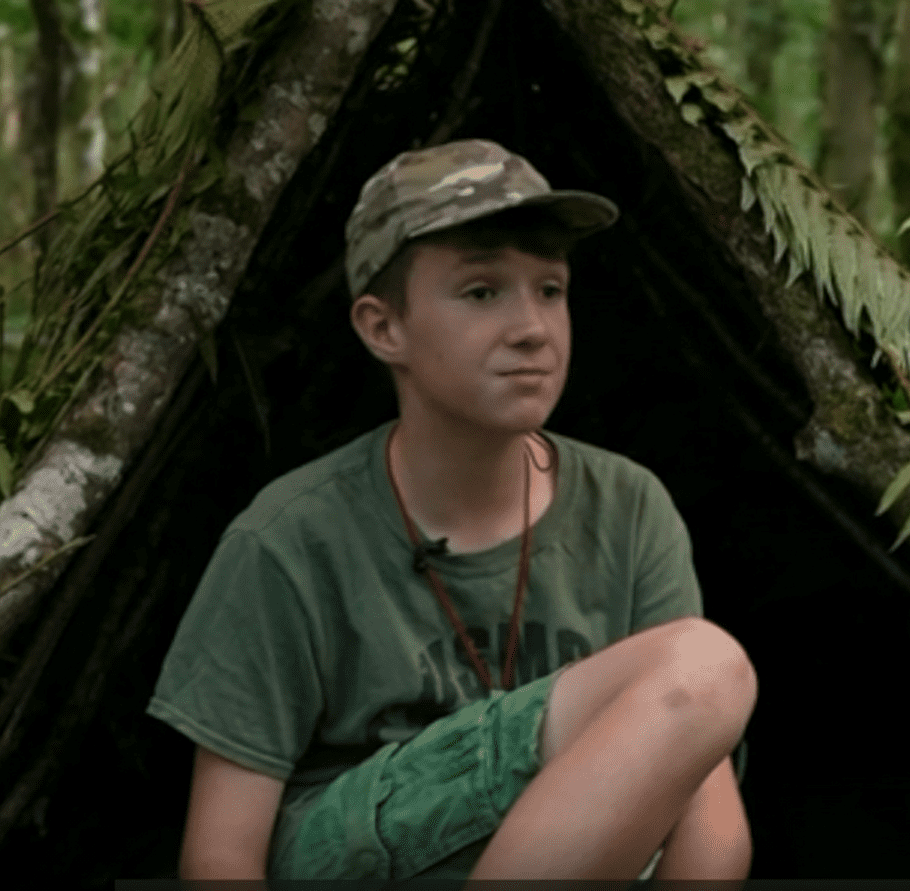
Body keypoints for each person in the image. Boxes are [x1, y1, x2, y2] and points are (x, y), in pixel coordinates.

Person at [146, 139, 757, 883]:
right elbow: (219, 856)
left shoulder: (629, 507)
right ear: (383, 328)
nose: (533, 327)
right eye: (482, 292)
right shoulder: (288, 539)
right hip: (352, 856)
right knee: (704, 664)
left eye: (551, 290)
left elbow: (706, 804)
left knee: (699, 688)